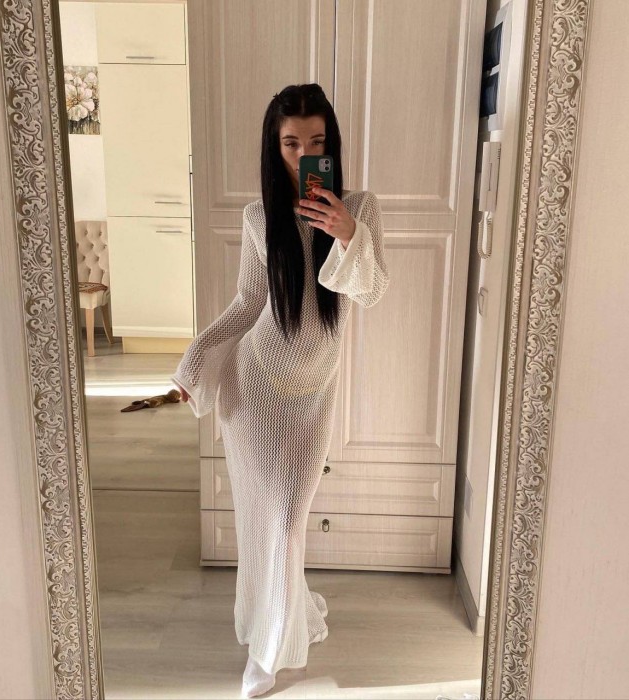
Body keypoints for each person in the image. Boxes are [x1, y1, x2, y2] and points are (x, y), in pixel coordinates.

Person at [171, 83, 389, 698]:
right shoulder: (257, 217)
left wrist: (348, 234)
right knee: (275, 520)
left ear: (331, 143)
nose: (304, 155)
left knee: (289, 517)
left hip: (314, 391)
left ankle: (285, 611)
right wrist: (195, 364)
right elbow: (248, 304)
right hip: (257, 385)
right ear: (275, 147)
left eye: (316, 141)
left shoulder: (360, 208)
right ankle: (266, 652)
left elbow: (371, 291)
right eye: (291, 143)